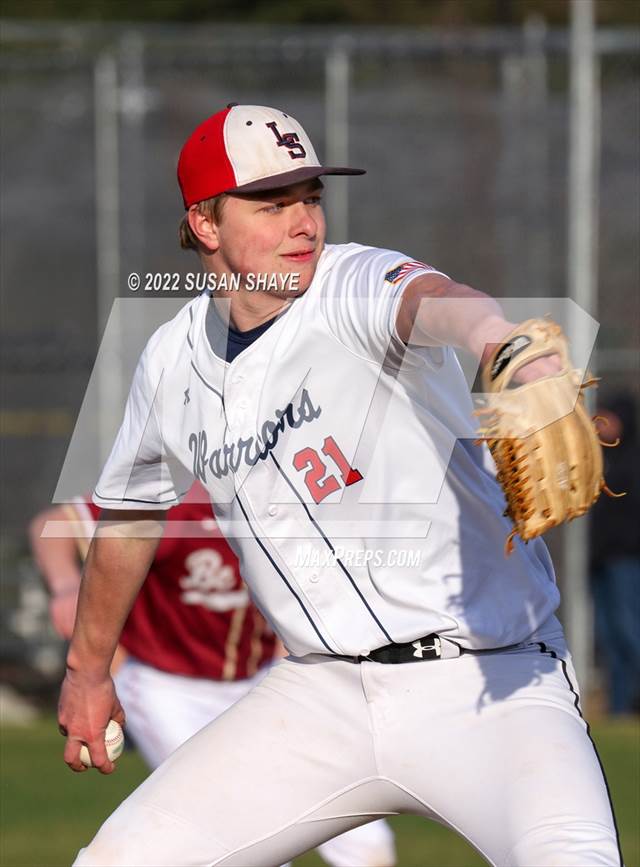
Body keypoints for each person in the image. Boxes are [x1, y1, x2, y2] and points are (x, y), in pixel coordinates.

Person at [59, 104, 622, 866]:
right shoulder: (169, 360)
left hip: (493, 679)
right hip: (316, 695)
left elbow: (438, 300)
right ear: (204, 224)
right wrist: (88, 671)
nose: (303, 222)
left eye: (311, 197)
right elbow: (126, 518)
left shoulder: (352, 282)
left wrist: (500, 342)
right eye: (271, 202)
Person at [31, 484, 396, 866]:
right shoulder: (177, 501)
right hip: (164, 686)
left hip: (262, 681)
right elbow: (51, 524)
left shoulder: (282, 499)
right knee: (238, 825)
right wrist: (66, 584)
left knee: (366, 843)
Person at [590, 393, 640, 715]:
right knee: (608, 637)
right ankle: (619, 707)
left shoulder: (632, 462)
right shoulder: (598, 461)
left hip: (627, 560)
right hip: (601, 561)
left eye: (607, 419)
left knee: (629, 632)